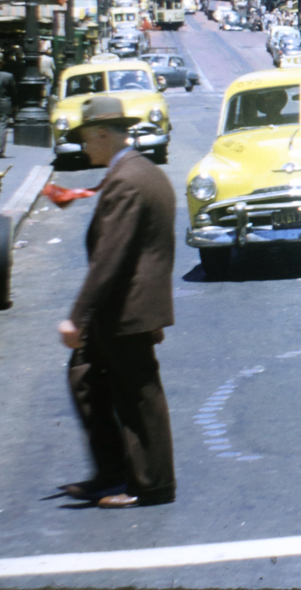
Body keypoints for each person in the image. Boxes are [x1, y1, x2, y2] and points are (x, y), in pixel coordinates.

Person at [56, 96, 177, 508]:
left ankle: (151, 483)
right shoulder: (138, 171)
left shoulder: (127, 179)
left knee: (139, 395)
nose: (85, 148)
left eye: (88, 139)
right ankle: (112, 472)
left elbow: (112, 256)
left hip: (126, 309)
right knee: (85, 375)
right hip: (127, 308)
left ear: (104, 135)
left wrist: (77, 317)